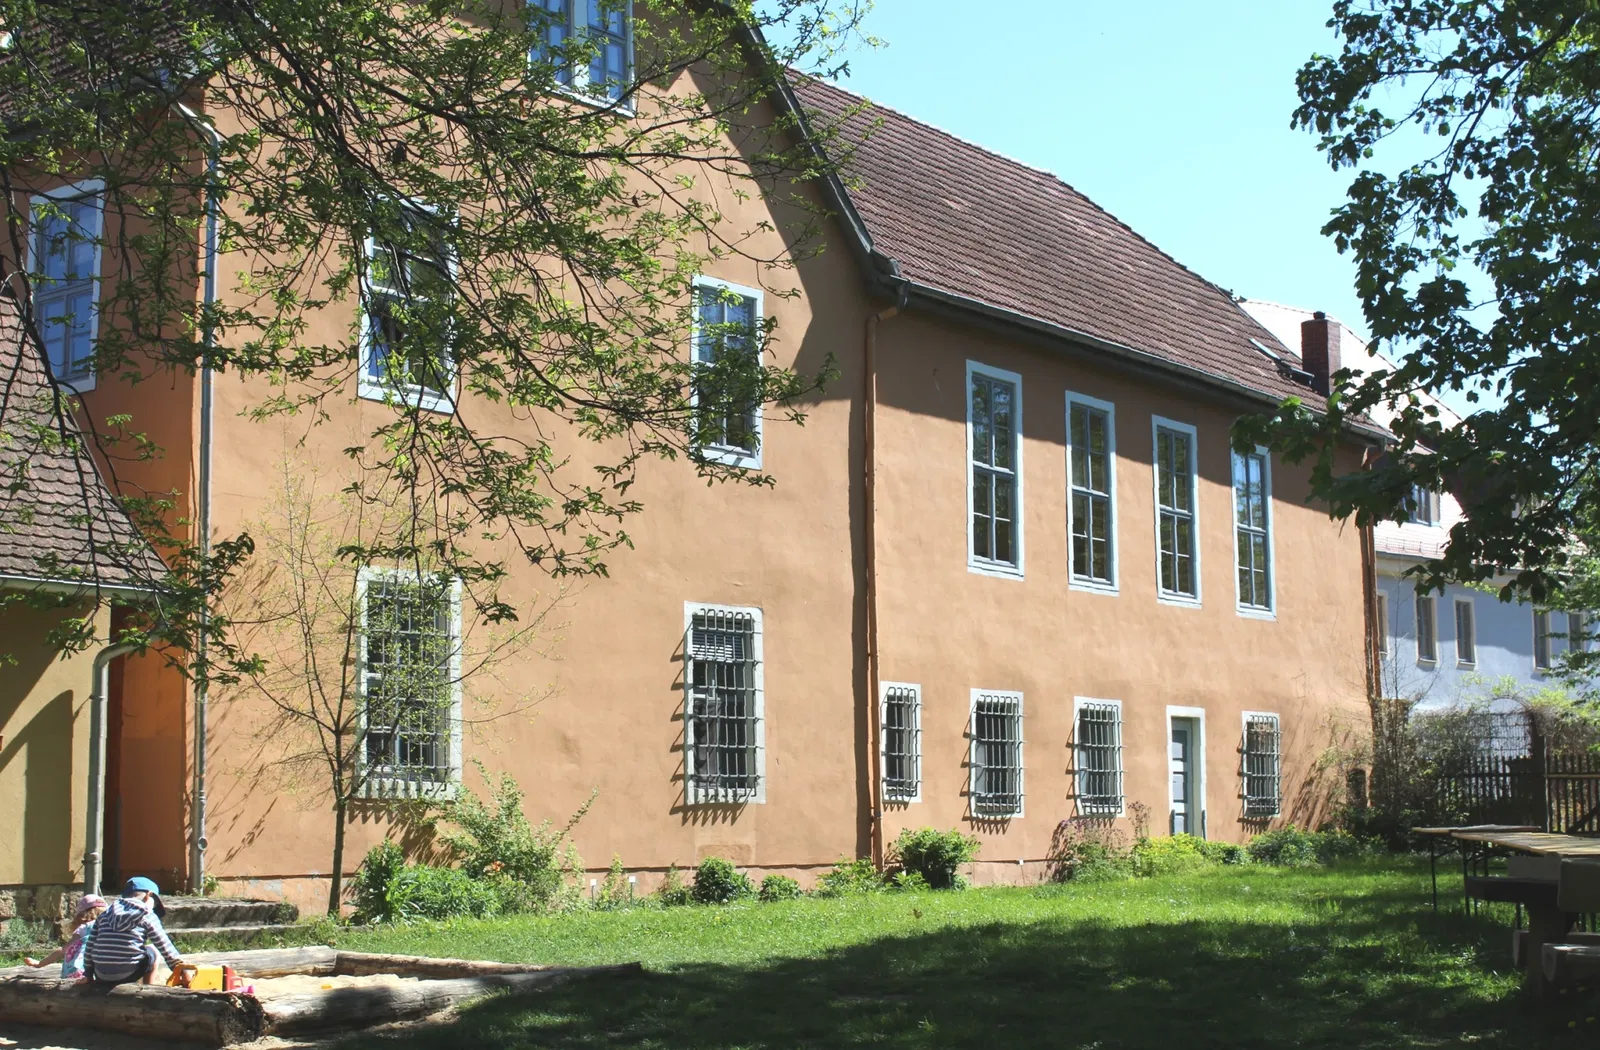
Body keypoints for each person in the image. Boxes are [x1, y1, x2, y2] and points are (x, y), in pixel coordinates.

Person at [83, 877, 185, 986]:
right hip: (129, 973)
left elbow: (90, 946)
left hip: (101, 974)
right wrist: (180, 968)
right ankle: (147, 988)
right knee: (153, 950)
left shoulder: (105, 914)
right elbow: (164, 945)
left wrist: (88, 974)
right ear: (148, 895)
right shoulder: (147, 915)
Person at [24, 894, 106, 981]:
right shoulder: (107, 927)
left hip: (80, 973)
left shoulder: (84, 928)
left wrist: (40, 963)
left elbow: (64, 950)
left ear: (81, 916)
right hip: (102, 972)